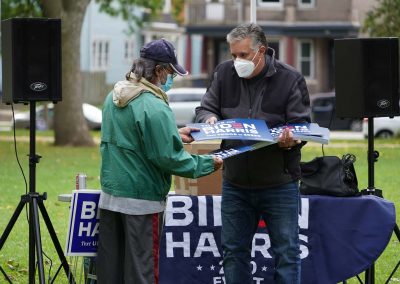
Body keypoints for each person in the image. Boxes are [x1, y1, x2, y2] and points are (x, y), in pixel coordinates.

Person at [96, 38, 223, 284]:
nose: (172, 78)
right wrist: (210, 163)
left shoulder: (115, 95)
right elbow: (169, 158)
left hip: (111, 197)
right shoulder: (155, 106)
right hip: (142, 202)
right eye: (171, 72)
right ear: (159, 70)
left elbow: (132, 139)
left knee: (111, 273)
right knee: (143, 272)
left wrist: (174, 134)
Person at [195, 23, 311, 284]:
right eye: (233, 55)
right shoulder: (223, 73)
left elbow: (302, 125)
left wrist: (290, 140)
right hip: (235, 183)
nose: (237, 61)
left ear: (261, 52)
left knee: (287, 253)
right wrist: (210, 118)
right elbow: (204, 108)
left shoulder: (290, 78)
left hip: (279, 184)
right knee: (234, 253)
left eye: (243, 55)